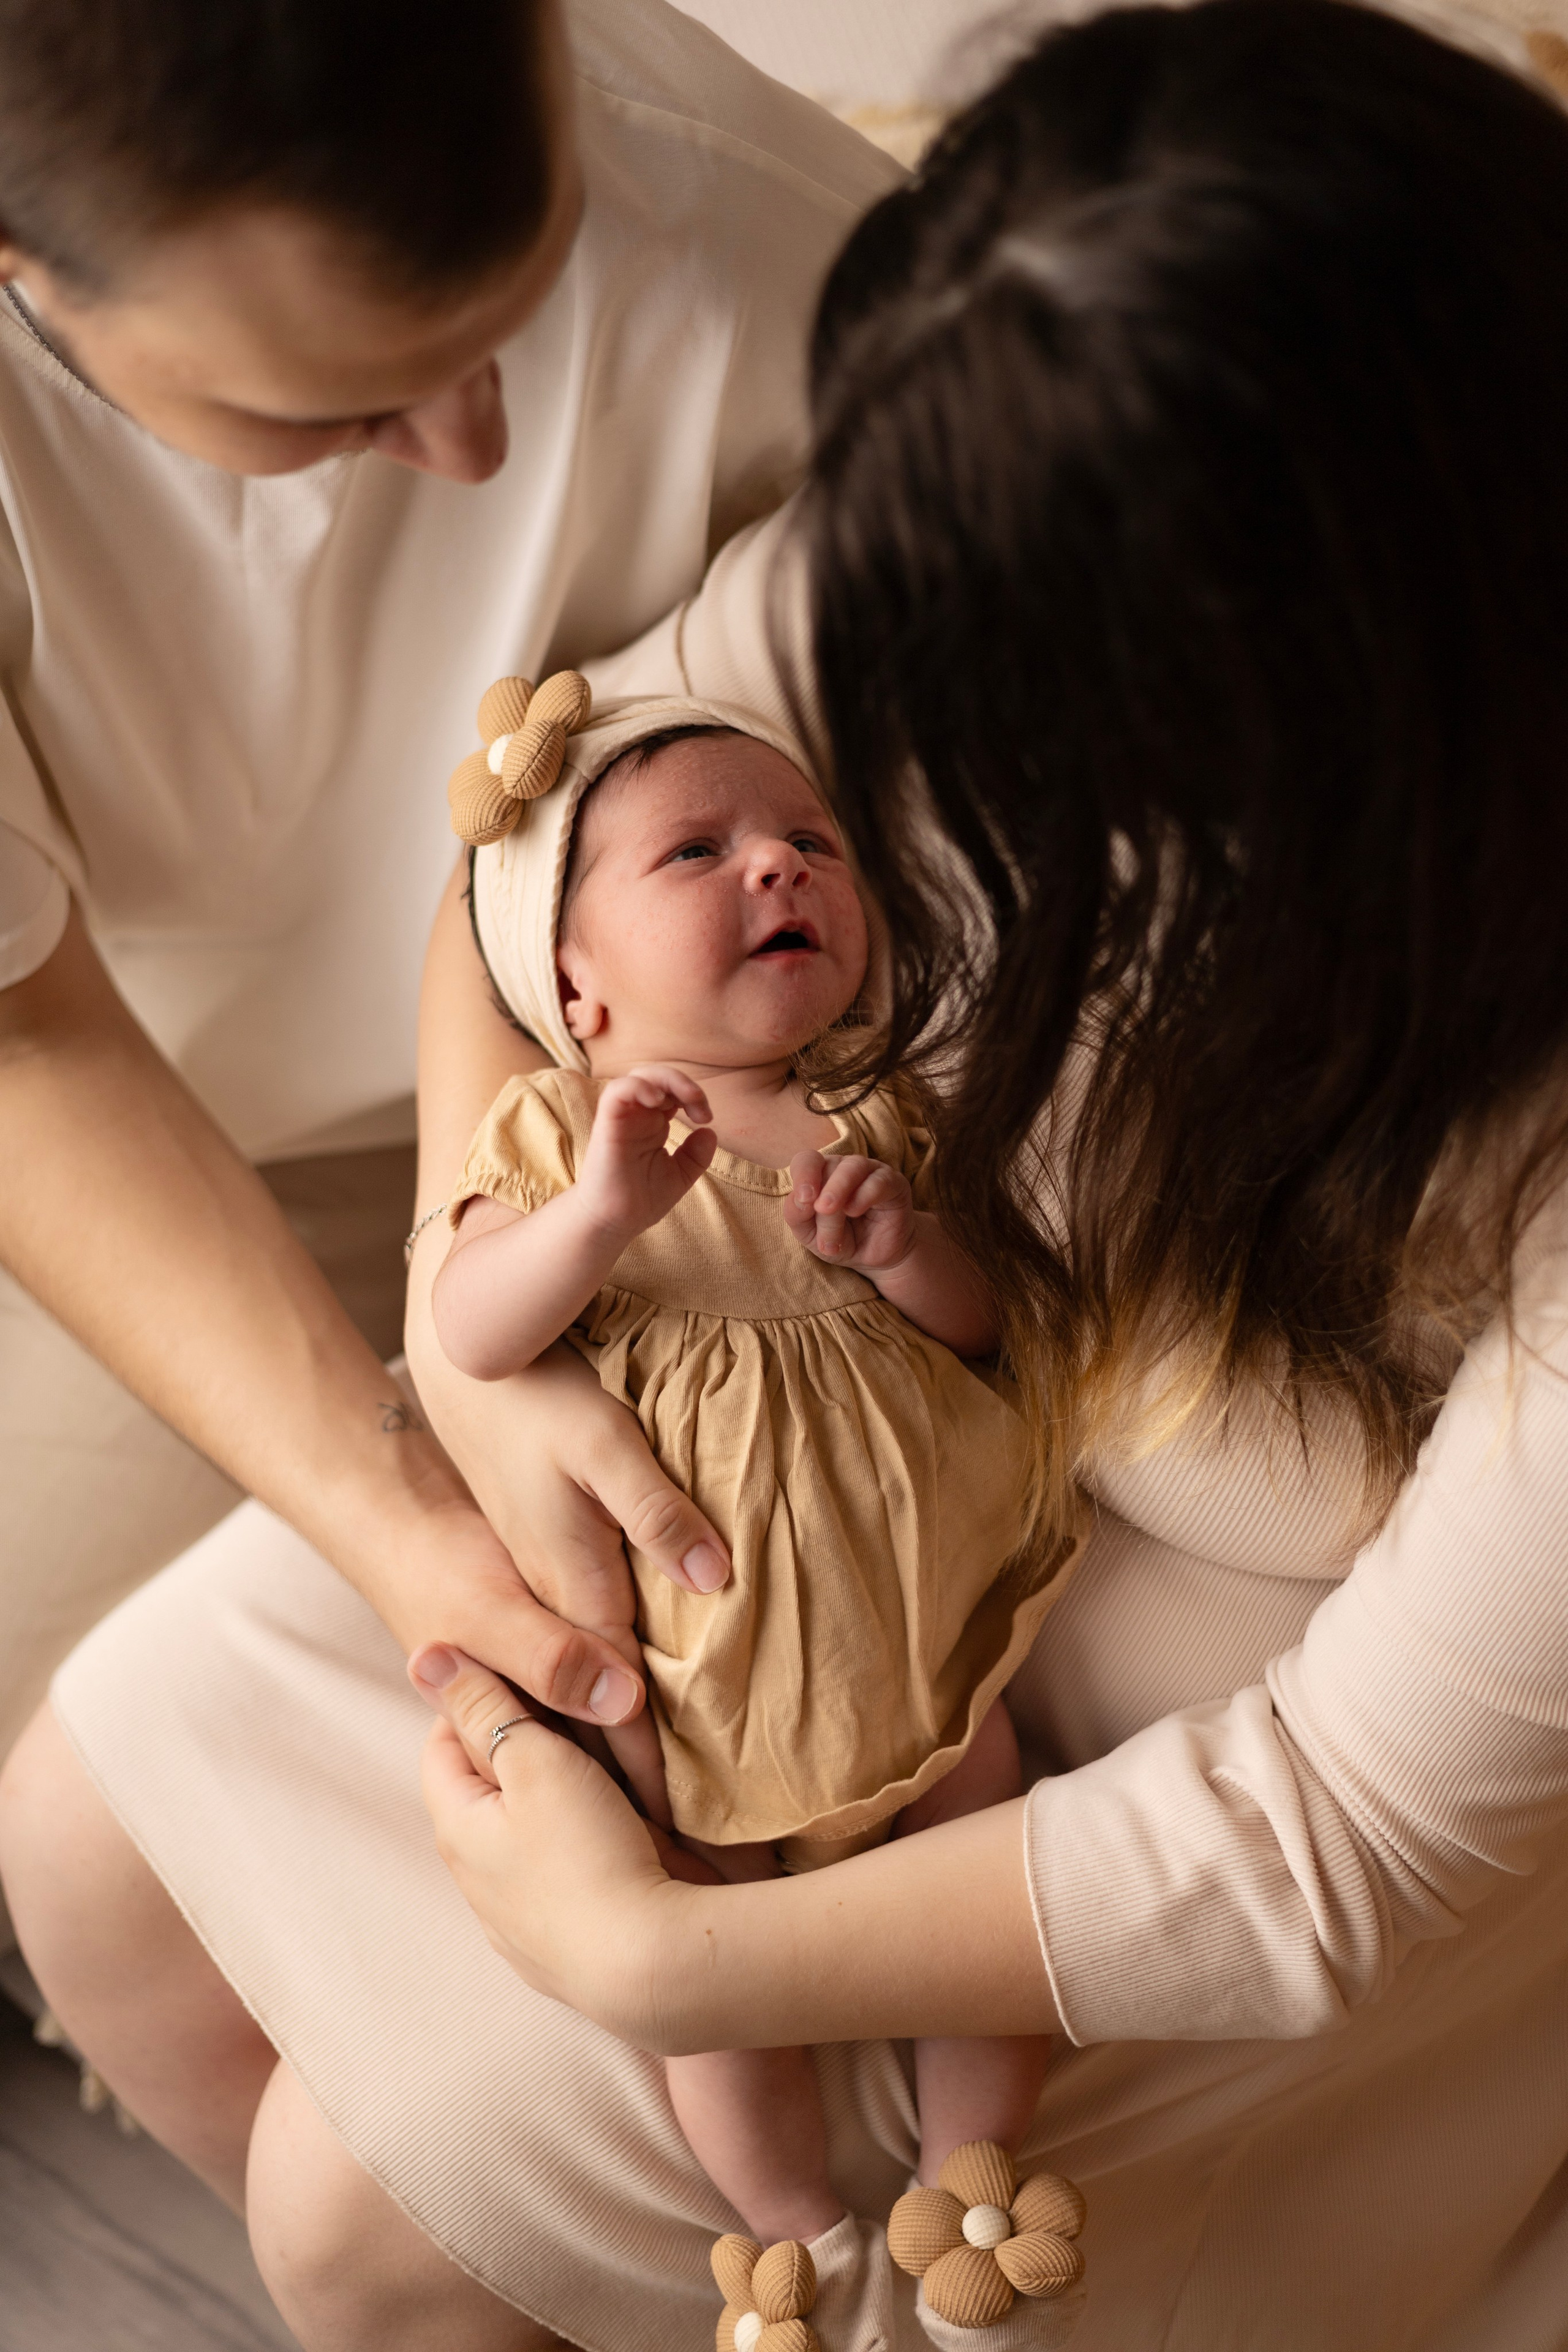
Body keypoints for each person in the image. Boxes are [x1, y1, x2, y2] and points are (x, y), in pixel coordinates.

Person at [6, 1, 1568, 2350]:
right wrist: (476, 1295)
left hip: (1216, 1707)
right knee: (82, 1847)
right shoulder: (1000, 491)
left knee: (358, 2220)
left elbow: (1336, 1836)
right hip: (769, 1385)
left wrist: (662, 1951)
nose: (923, 753)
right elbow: (539, 833)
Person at [0, 0, 897, 1789]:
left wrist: (482, 1254)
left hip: (621, 1117)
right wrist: (400, 1501)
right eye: (334, 403)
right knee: (88, 1767)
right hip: (125, 1121)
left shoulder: (783, 247)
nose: (479, 444)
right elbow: (26, 1034)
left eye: (516, 309)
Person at [428, 689, 1084, 2343]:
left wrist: (902, 1250)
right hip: (703, 1688)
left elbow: (982, 1333)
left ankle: (974, 2171)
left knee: (987, 1833)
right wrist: (594, 1218)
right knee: (701, 1945)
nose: (778, 869)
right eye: (699, 850)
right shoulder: (564, 1136)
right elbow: (475, 1332)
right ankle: (789, 2233)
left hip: (919, 1651)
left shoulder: (879, 1121)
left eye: (812, 842)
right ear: (575, 989)